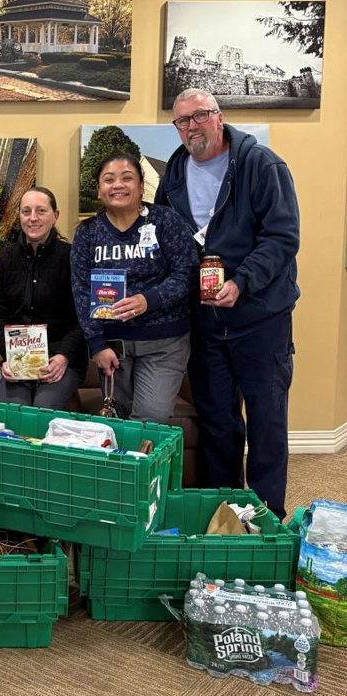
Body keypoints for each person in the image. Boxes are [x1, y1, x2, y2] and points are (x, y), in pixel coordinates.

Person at [156, 88, 299, 519]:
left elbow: (282, 238)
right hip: (205, 323)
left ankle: (266, 517)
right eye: (182, 120)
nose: (192, 126)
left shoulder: (261, 165)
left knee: (266, 421)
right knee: (218, 421)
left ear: (219, 117)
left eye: (200, 115)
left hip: (260, 318)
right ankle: (225, 515)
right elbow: (166, 237)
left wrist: (242, 282)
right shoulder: (175, 172)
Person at [70, 153, 198, 424]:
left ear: (141, 186)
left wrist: (147, 300)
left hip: (164, 343)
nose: (118, 185)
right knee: (119, 422)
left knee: (150, 418)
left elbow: (187, 273)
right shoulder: (87, 233)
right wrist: (96, 344)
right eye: (109, 179)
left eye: (127, 178)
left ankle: (148, 467)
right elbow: (81, 291)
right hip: (113, 347)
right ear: (99, 190)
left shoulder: (166, 222)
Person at [0, 187, 87, 409]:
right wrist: (9, 357)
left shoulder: (73, 257)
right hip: (17, 360)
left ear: (55, 215)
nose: (33, 218)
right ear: (19, 216)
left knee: (42, 410)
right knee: (15, 414)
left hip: (60, 360)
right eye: (26, 211)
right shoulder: (3, 260)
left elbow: (84, 317)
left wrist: (63, 356)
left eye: (41, 211)